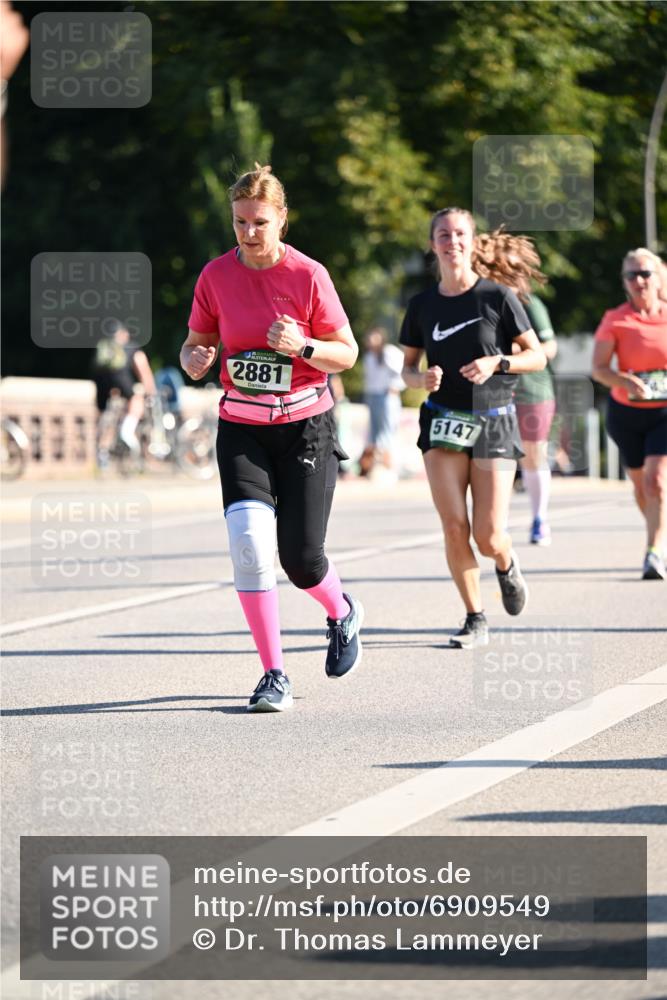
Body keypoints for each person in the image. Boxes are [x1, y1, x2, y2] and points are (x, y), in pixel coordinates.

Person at [180, 163, 363, 712]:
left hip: (306, 425)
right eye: (240, 222)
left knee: (302, 561)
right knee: (250, 550)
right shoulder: (215, 276)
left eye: (259, 221)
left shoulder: (309, 276)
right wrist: (195, 359)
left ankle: (341, 611)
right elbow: (195, 346)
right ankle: (273, 674)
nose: (249, 232)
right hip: (242, 428)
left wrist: (303, 347)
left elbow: (347, 353)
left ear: (281, 219)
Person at [400, 208, 546, 649]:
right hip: (443, 419)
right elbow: (406, 368)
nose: (452, 241)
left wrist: (498, 362)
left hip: (493, 419)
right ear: (433, 244)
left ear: (473, 241)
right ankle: (474, 616)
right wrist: (419, 379)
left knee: (487, 534)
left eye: (460, 233)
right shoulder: (422, 305)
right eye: (443, 234)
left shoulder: (497, 297)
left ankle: (505, 562)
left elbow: (536, 356)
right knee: (452, 526)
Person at [592, 247, 667, 580]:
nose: (639, 280)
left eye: (645, 273)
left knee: (656, 481)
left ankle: (652, 552)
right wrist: (621, 379)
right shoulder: (616, 319)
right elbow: (598, 369)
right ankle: (659, 532)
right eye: (631, 275)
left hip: (664, 413)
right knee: (641, 488)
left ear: (658, 278)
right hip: (626, 415)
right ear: (624, 281)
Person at [512, 292, 558, 545]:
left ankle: (539, 518)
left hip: (531, 389)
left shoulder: (530, 303)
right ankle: (494, 524)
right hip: (492, 390)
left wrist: (514, 350)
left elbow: (550, 347)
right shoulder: (477, 297)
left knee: (532, 455)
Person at [92, 322, 158, 453]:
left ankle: (102, 450)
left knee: (105, 413)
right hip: (121, 379)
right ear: (124, 333)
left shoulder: (104, 348)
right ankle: (127, 430)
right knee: (136, 398)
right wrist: (151, 391)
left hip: (101, 382)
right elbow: (143, 371)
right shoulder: (131, 348)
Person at [361, 327, 405, 479]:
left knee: (387, 430)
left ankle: (389, 467)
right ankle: (374, 466)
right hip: (373, 396)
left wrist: (395, 387)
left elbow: (404, 370)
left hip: (387, 396)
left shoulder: (389, 352)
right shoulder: (369, 356)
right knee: (374, 433)